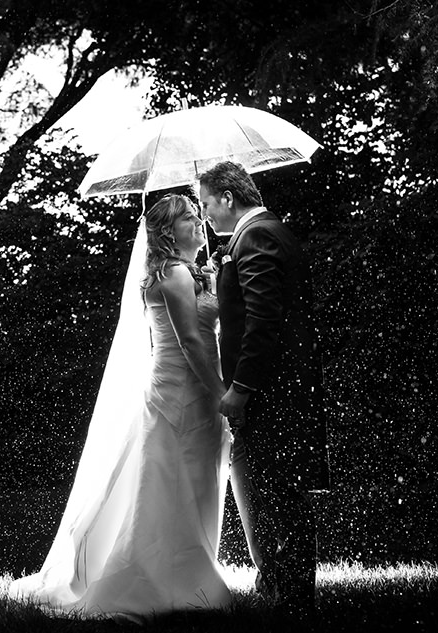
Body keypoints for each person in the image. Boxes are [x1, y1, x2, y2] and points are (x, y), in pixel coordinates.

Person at [8, 193, 234, 622]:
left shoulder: (184, 273)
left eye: (199, 214)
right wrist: (222, 393)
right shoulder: (173, 275)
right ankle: (166, 579)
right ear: (167, 232)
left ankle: (189, 570)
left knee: (190, 481)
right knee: (175, 484)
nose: (201, 221)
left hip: (183, 392)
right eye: (190, 217)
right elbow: (190, 341)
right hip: (183, 393)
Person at [198, 160, 330, 616]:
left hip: (271, 392)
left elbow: (263, 323)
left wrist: (240, 388)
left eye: (207, 203)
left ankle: (288, 596)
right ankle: (281, 589)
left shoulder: (256, 237)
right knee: (274, 490)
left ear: (228, 198)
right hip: (284, 390)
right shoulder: (263, 234)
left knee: (274, 492)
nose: (206, 214)